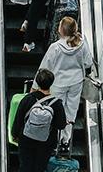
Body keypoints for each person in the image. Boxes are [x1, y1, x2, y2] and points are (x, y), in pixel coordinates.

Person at [12, 68, 67, 172]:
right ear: (51, 83)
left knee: (25, 167)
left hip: (26, 140)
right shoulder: (56, 103)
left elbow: (18, 119)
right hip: (45, 142)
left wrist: (15, 134)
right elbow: (61, 125)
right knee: (40, 168)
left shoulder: (28, 99)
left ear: (37, 82)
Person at [38, 16, 94, 144]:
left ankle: (55, 138)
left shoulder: (55, 47)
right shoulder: (82, 43)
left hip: (58, 83)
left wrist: (36, 86)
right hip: (76, 82)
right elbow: (88, 62)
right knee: (71, 111)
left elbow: (45, 67)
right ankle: (66, 140)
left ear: (61, 30)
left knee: (56, 110)